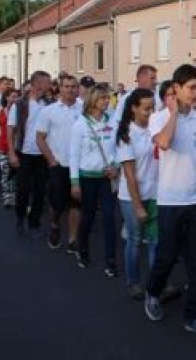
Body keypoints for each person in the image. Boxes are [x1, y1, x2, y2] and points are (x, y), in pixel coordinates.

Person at [143, 64, 196, 337]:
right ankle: (153, 291)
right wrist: (174, 113)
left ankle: (195, 315)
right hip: (171, 201)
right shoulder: (159, 117)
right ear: (176, 88)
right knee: (167, 255)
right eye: (191, 88)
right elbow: (163, 144)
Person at [69, 85, 119, 276]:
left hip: (106, 178)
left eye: (108, 98)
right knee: (88, 216)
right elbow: (74, 155)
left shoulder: (111, 121)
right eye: (103, 98)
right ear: (93, 100)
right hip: (87, 178)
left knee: (109, 218)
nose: (107, 101)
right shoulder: (80, 124)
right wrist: (74, 182)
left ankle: (111, 260)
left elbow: (116, 150)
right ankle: (83, 251)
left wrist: (115, 166)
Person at [115, 89, 159, 300]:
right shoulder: (126, 134)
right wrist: (138, 205)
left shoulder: (154, 129)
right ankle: (133, 282)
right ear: (133, 108)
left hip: (156, 193)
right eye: (146, 109)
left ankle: (156, 284)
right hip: (132, 196)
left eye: (152, 108)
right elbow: (130, 173)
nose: (150, 113)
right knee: (134, 240)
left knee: (155, 240)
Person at [36, 74, 83, 251]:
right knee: (57, 204)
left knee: (75, 203)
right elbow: (40, 138)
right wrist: (51, 160)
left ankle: (72, 239)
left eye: (73, 86)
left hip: (78, 166)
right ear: (60, 89)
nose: (70, 89)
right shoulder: (48, 111)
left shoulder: (84, 109)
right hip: (59, 165)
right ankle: (55, 224)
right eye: (67, 86)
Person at [8, 71, 53, 236]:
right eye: (48, 82)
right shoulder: (19, 105)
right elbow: (10, 129)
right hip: (25, 153)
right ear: (38, 84)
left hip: (43, 155)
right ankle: (20, 217)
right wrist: (12, 153)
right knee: (23, 189)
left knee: (40, 191)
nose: (50, 86)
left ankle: (34, 223)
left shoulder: (49, 104)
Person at [0, 88, 20, 208]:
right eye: (13, 96)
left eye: (17, 97)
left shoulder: (19, 112)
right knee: (5, 173)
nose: (15, 99)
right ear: (7, 97)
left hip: (16, 147)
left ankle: (14, 195)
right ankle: (7, 197)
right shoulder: (0, 112)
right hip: (2, 146)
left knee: (15, 174)